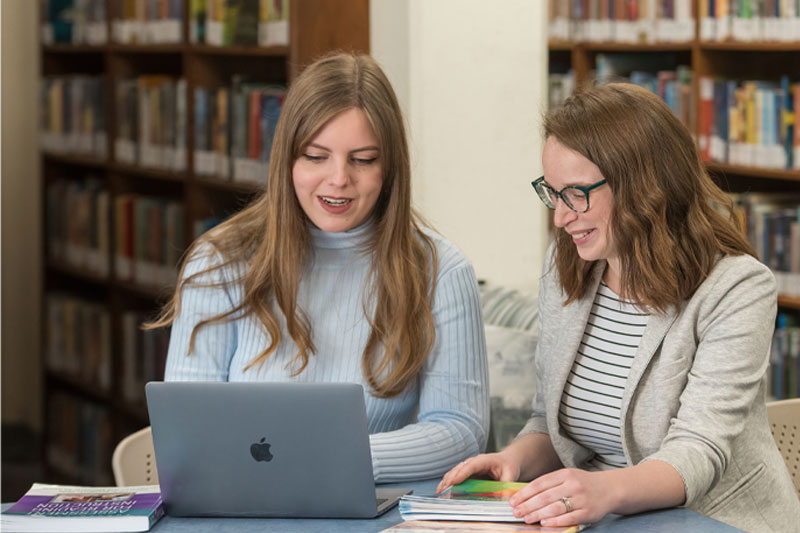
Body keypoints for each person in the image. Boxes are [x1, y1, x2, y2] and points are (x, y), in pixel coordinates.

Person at [438, 83, 800, 531]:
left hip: (713, 518)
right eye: (552, 193)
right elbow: (552, 424)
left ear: (642, 187)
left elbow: (697, 453)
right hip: (602, 516)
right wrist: (511, 461)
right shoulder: (568, 263)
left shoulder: (737, 289)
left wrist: (604, 490)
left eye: (575, 193)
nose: (560, 216)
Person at [151, 52, 489, 483]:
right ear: (287, 160)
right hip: (242, 507)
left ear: (390, 168)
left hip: (369, 510)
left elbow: (460, 432)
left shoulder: (441, 271)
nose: (338, 179)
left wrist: (332, 457)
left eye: (363, 159)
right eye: (315, 156)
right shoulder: (219, 260)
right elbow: (185, 427)